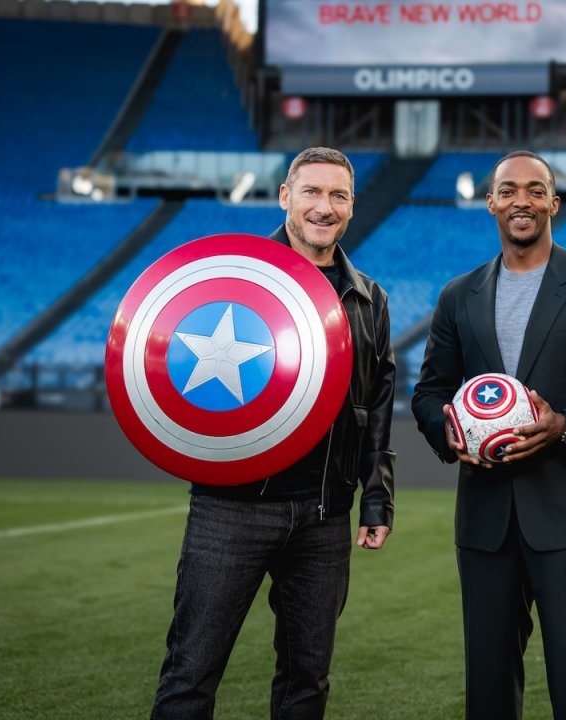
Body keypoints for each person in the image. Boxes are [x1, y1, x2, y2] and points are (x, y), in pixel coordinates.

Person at [151, 147, 396, 719]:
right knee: (191, 673)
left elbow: (376, 405)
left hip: (324, 515)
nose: (323, 206)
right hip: (231, 511)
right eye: (310, 191)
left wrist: (377, 498)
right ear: (285, 197)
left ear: (352, 207)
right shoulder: (233, 279)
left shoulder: (369, 298)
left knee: (306, 683)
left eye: (338, 195)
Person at [411, 150, 566, 719]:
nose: (521, 199)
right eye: (508, 189)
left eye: (534, 189)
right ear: (492, 201)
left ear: (553, 202)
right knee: (489, 691)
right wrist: (449, 432)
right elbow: (429, 393)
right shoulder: (458, 295)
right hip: (485, 518)